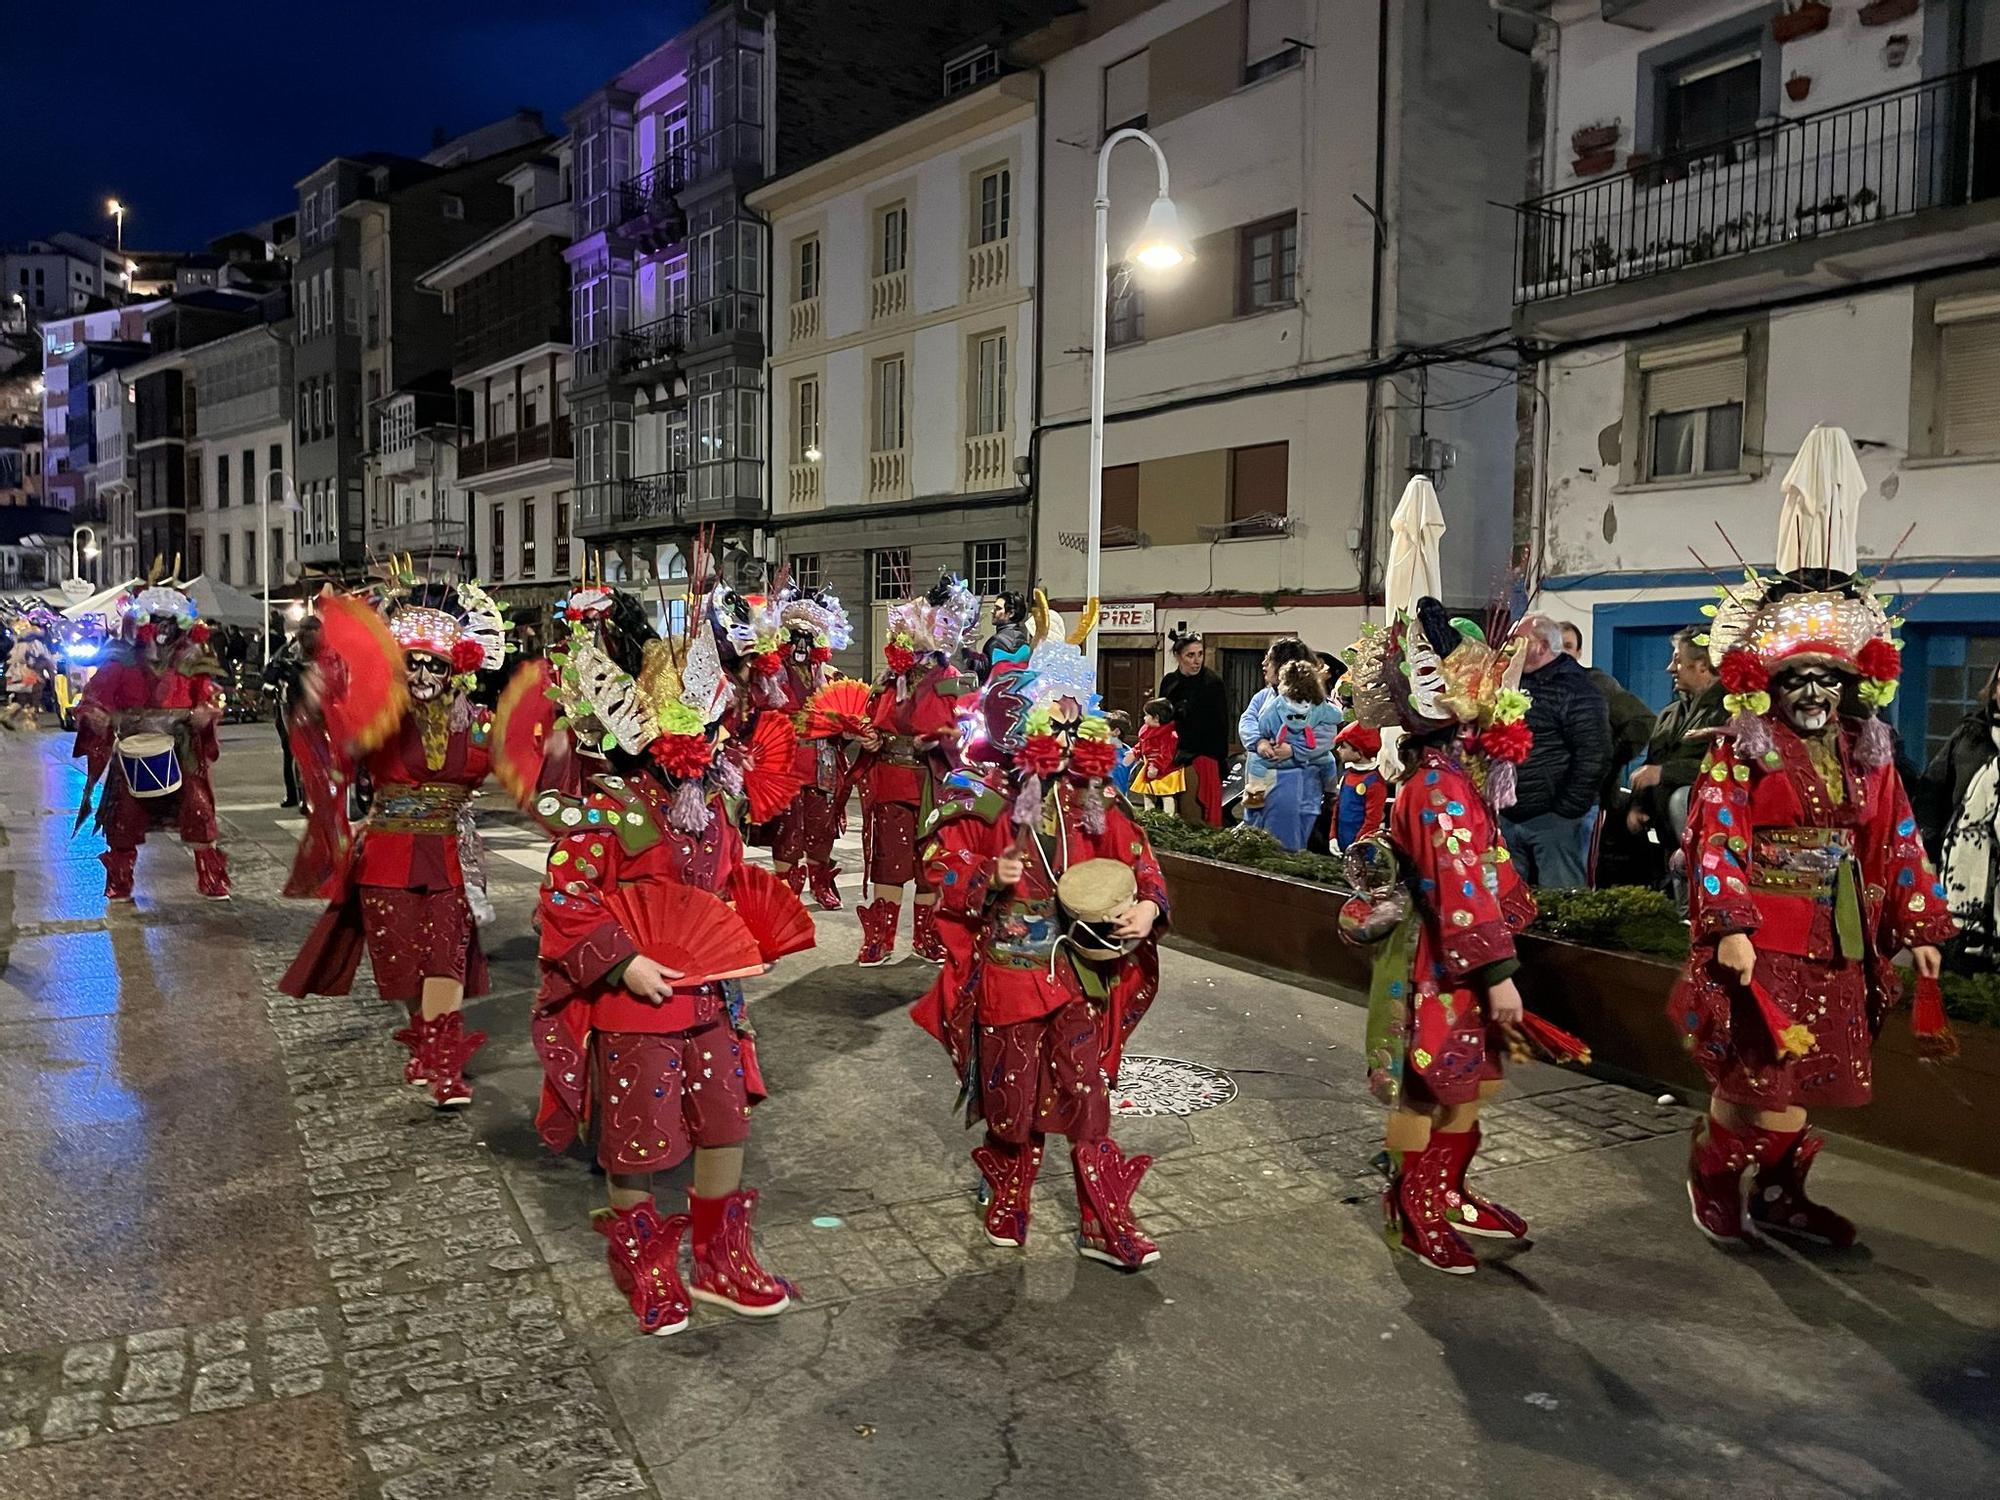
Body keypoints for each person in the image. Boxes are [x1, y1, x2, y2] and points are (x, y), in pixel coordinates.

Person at [531, 579, 809, 1335]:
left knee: (725, 1124)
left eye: (714, 736)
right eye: (692, 740)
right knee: (637, 1141)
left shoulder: (715, 809)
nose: (706, 753)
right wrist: (622, 963)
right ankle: (644, 1261)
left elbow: (721, 894)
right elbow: (563, 899)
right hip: (637, 1004)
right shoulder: (610, 810)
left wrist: (751, 938)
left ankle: (720, 1258)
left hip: (713, 998)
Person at [1676, 559, 1951, 1249]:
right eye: (1796, 678)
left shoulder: (1870, 750)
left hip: (1840, 933)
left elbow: (1899, 835)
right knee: (1755, 1075)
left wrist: (1917, 925)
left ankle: (1777, 1192)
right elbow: (1718, 839)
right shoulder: (1740, 750)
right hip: (1765, 933)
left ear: (1850, 684)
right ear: (1769, 685)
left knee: (1804, 1074)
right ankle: (1712, 1174)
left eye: (1828, 678)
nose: (1814, 692)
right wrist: (1730, 926)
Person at [912, 630, 1170, 1270]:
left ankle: (1102, 1218)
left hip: (1081, 968)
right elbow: (937, 867)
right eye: (1052, 705)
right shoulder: (983, 795)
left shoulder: (1098, 801)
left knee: (1088, 1094)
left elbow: (1142, 864)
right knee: (1012, 1096)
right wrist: (982, 877)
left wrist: (1148, 906)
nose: (1063, 719)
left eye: (1073, 706)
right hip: (1009, 971)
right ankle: (1007, 1193)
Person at [280, 578, 536, 1109]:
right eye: (413, 663)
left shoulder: (482, 725)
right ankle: (424, 1042)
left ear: (455, 670)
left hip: (450, 858)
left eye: (434, 665)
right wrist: (314, 698)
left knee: (445, 957)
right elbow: (332, 746)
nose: (422, 675)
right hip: (388, 857)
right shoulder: (380, 720)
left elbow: (527, 761)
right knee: (402, 969)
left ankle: (444, 1064)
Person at [1343, 598, 1540, 1275]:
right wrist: (1498, 971)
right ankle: (1413, 1205)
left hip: (1454, 956)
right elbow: (1457, 886)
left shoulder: (1455, 779)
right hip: (1437, 964)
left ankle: (1446, 1190)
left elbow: (1480, 873)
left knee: (1468, 1082)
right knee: (1427, 1088)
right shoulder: (1438, 786)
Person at [73, 581, 231, 900]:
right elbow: (90, 698)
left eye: (169, 622)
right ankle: (119, 880)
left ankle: (211, 877)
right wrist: (96, 715)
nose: (162, 630)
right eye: (155, 621)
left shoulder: (192, 660)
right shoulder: (120, 661)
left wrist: (208, 711)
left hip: (181, 746)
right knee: (122, 819)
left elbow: (213, 697)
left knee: (199, 810)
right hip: (134, 746)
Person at [851, 574, 979, 965]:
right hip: (891, 779)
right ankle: (881, 938)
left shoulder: (953, 681)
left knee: (929, 863)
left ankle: (926, 937)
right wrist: (869, 736)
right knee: (889, 862)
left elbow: (967, 730)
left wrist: (940, 740)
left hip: (932, 783)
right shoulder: (890, 679)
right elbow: (871, 718)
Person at [1502, 614, 1612, 889]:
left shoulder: (1577, 688)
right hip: (1509, 815)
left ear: (1539, 646)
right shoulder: (1510, 683)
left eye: (1516, 642)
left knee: (1562, 900)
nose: (1508, 648)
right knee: (1507, 901)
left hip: (1556, 820)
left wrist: (1567, 809)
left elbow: (1594, 752)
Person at [769, 584, 853, 909]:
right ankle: (784, 892)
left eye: (808, 636)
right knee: (787, 831)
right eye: (795, 635)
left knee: (821, 829)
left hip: (821, 762)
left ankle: (821, 884)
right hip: (787, 762)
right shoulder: (774, 674)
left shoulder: (828, 675)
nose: (801, 643)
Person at [1920, 661, 2000, 973]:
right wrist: (1927, 845)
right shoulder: (1969, 736)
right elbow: (1932, 790)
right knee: (1961, 976)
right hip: (1962, 876)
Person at [1242, 657, 1341, 851]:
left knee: (1288, 844)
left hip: (1299, 781)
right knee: (1259, 839)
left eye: (1269, 660)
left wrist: (1294, 750)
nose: (1263, 664)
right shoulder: (1263, 698)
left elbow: (1326, 735)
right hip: (1266, 775)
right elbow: (1249, 722)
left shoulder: (1317, 702)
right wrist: (1259, 741)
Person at [1158, 629, 1228, 825]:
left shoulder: (1212, 683)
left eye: (1200, 654)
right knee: (1169, 812)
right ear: (1178, 656)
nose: (1197, 660)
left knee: (1194, 816)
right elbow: (1161, 719)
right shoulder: (1170, 682)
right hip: (1171, 756)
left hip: (1201, 757)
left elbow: (1220, 725)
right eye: (1190, 655)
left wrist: (1219, 761)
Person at [262, 614, 322, 808]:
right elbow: (270, 676)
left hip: (301, 707)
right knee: (298, 753)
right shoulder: (290, 652)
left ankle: (299, 795)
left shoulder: (291, 650)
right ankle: (302, 795)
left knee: (296, 753)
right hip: (295, 707)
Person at [1332, 721, 1388, 849]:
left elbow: (1372, 821)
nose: (1338, 750)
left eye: (1343, 746)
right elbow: (1338, 807)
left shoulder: (1375, 783)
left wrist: (1357, 847)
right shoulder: (1347, 775)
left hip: (1361, 847)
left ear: (1359, 752)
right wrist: (1332, 837)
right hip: (1341, 839)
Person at [1126, 697, 1184, 812]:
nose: (1144, 718)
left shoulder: (1169, 735)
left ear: (1156, 718)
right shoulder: (1147, 731)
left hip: (1165, 770)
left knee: (1166, 794)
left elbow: (1166, 754)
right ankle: (1149, 815)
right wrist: (1135, 752)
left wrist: (1156, 766)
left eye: (1147, 715)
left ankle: (1168, 818)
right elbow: (1142, 744)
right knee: (1147, 793)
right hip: (1149, 766)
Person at [3, 612, 57, 730]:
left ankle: (11, 716)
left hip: (22, 675)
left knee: (23, 700)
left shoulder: (20, 643)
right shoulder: (35, 643)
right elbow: (45, 661)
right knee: (33, 700)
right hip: (32, 676)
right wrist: (52, 677)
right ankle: (26, 721)